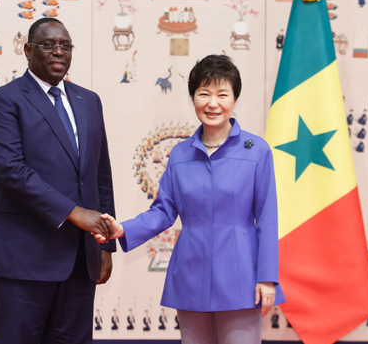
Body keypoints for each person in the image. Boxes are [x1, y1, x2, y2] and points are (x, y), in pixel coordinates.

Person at [96, 55, 284, 343]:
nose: (213, 103)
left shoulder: (256, 151)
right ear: (193, 98)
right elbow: (163, 211)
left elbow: (268, 219)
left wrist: (267, 278)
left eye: (222, 94)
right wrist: (123, 229)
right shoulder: (180, 153)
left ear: (234, 100)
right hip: (191, 275)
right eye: (204, 93)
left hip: (241, 278)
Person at [0, 17, 116, 344]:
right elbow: (10, 171)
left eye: (65, 46)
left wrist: (105, 246)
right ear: (28, 50)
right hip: (20, 259)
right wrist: (73, 212)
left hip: (80, 260)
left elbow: (99, 175)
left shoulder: (88, 101)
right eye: (48, 45)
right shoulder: (3, 100)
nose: (58, 52)